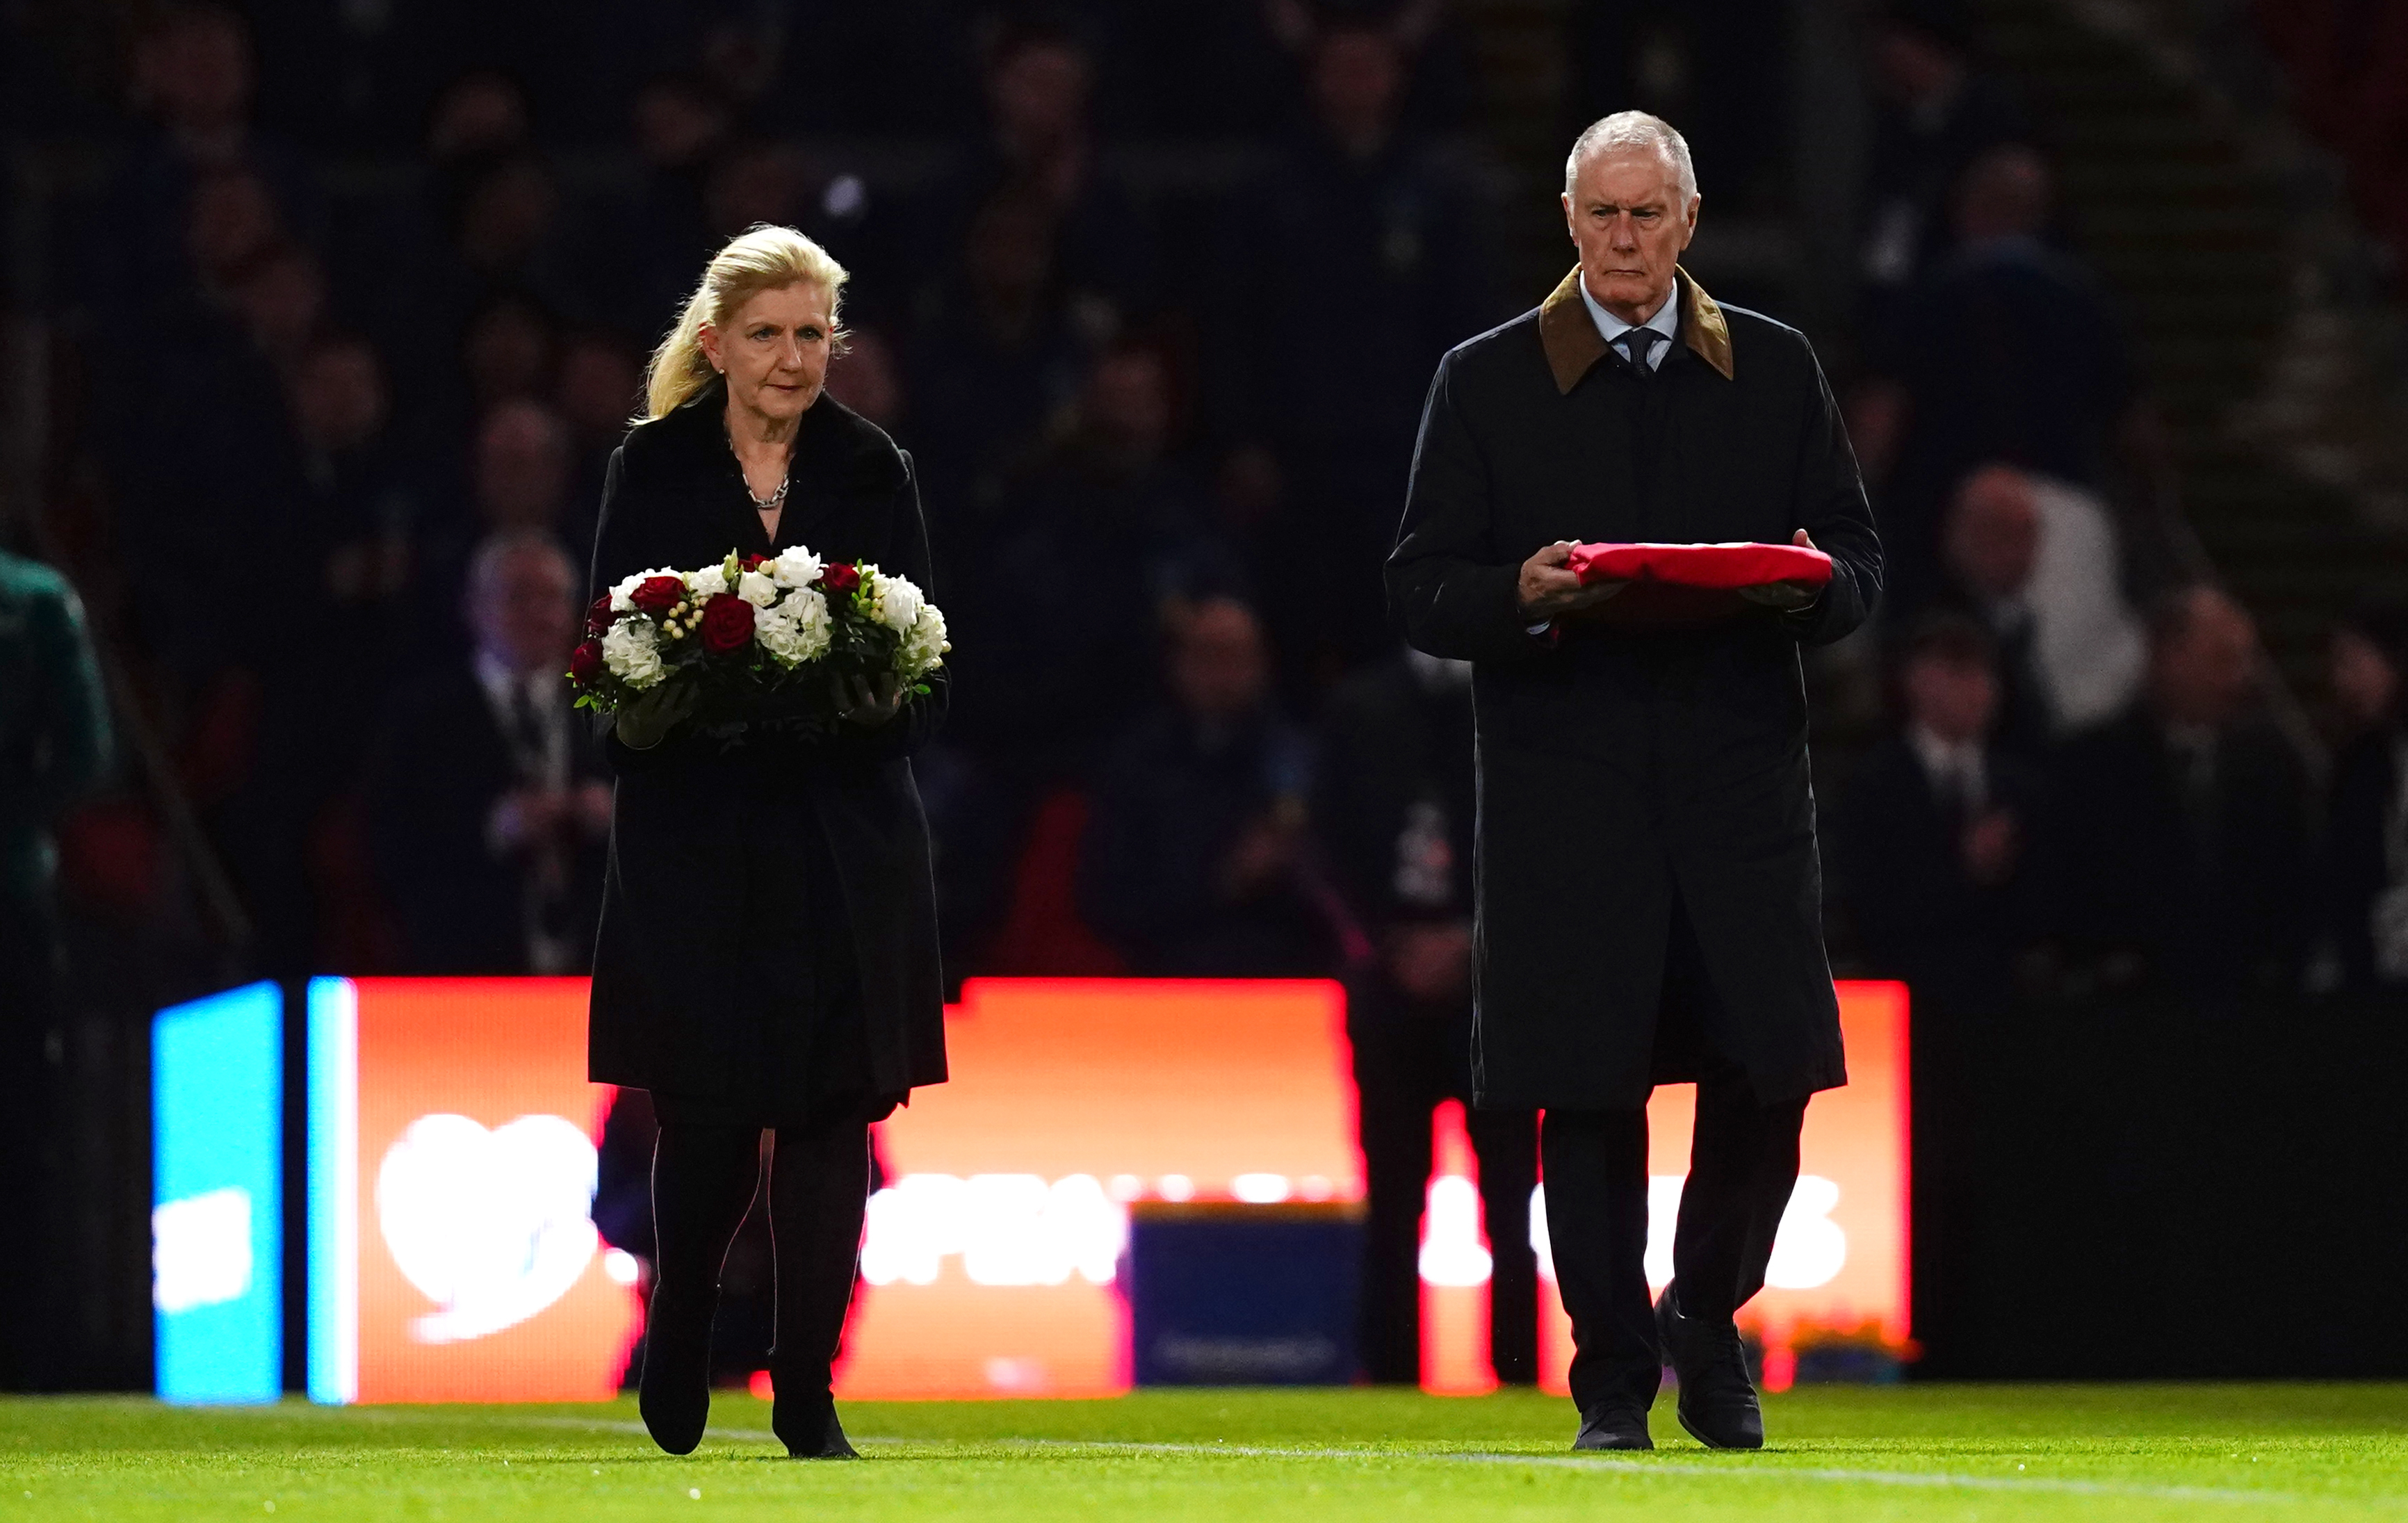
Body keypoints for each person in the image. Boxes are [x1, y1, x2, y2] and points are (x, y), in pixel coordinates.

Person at [1387, 112, 1880, 1451]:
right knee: (1584, 1088)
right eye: (1601, 214)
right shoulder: (1483, 380)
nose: (1622, 238)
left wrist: (1809, 589)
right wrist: (1520, 595)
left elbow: (1853, 556)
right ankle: (1611, 1385)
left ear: (1688, 218)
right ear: (1566, 219)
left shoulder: (1771, 369)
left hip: (1737, 794)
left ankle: (1703, 1317)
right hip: (1568, 797)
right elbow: (1420, 586)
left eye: (1645, 214)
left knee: (1768, 1070)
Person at [585, 225, 946, 1459]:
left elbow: (922, 661)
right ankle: (681, 1320)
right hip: (696, 835)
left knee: (831, 1110)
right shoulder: (652, 465)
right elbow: (604, 657)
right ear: (715, 344)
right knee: (705, 1112)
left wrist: (857, 680)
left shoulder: (873, 466)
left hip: (843, 835)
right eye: (768, 335)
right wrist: (683, 681)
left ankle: (806, 1389)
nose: (793, 358)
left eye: (810, 334)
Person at [1317, 643, 1536, 1387]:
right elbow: (1323, 845)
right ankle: (1388, 1375)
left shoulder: (1517, 699)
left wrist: (1478, 936)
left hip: (1495, 991)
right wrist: (1382, 944)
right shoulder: (1358, 708)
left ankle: (1514, 1372)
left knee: (1510, 1196)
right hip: (1388, 990)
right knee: (1393, 1194)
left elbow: (1546, 837)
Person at [2049, 586, 2315, 1000]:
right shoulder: (2092, 765)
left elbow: (2294, 880)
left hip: (2246, 1006)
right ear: (2168, 657)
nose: (2237, 678)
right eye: (2221, 660)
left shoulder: (2271, 765)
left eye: (2242, 661)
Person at [367, 532, 610, 975]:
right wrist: (493, 829)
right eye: (517, 597)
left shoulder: (616, 710)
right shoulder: (422, 718)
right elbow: (389, 840)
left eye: (551, 598)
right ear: (474, 609)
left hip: (594, 974)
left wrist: (616, 818)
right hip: (465, 971)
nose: (536, 614)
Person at [1078, 597, 1342, 977]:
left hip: (1291, 973)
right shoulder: (1138, 766)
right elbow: (1107, 898)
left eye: (1239, 656)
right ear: (1178, 664)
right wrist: (1224, 880)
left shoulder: (1305, 762)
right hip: (1164, 973)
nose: (1225, 673)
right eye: (1210, 656)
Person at [0, 548, 112, 1390]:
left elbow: (86, 756)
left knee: (25, 1129)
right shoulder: (37, 599)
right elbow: (86, 757)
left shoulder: (35, 601)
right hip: (17, 901)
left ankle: (29, 1349)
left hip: (15, 909)